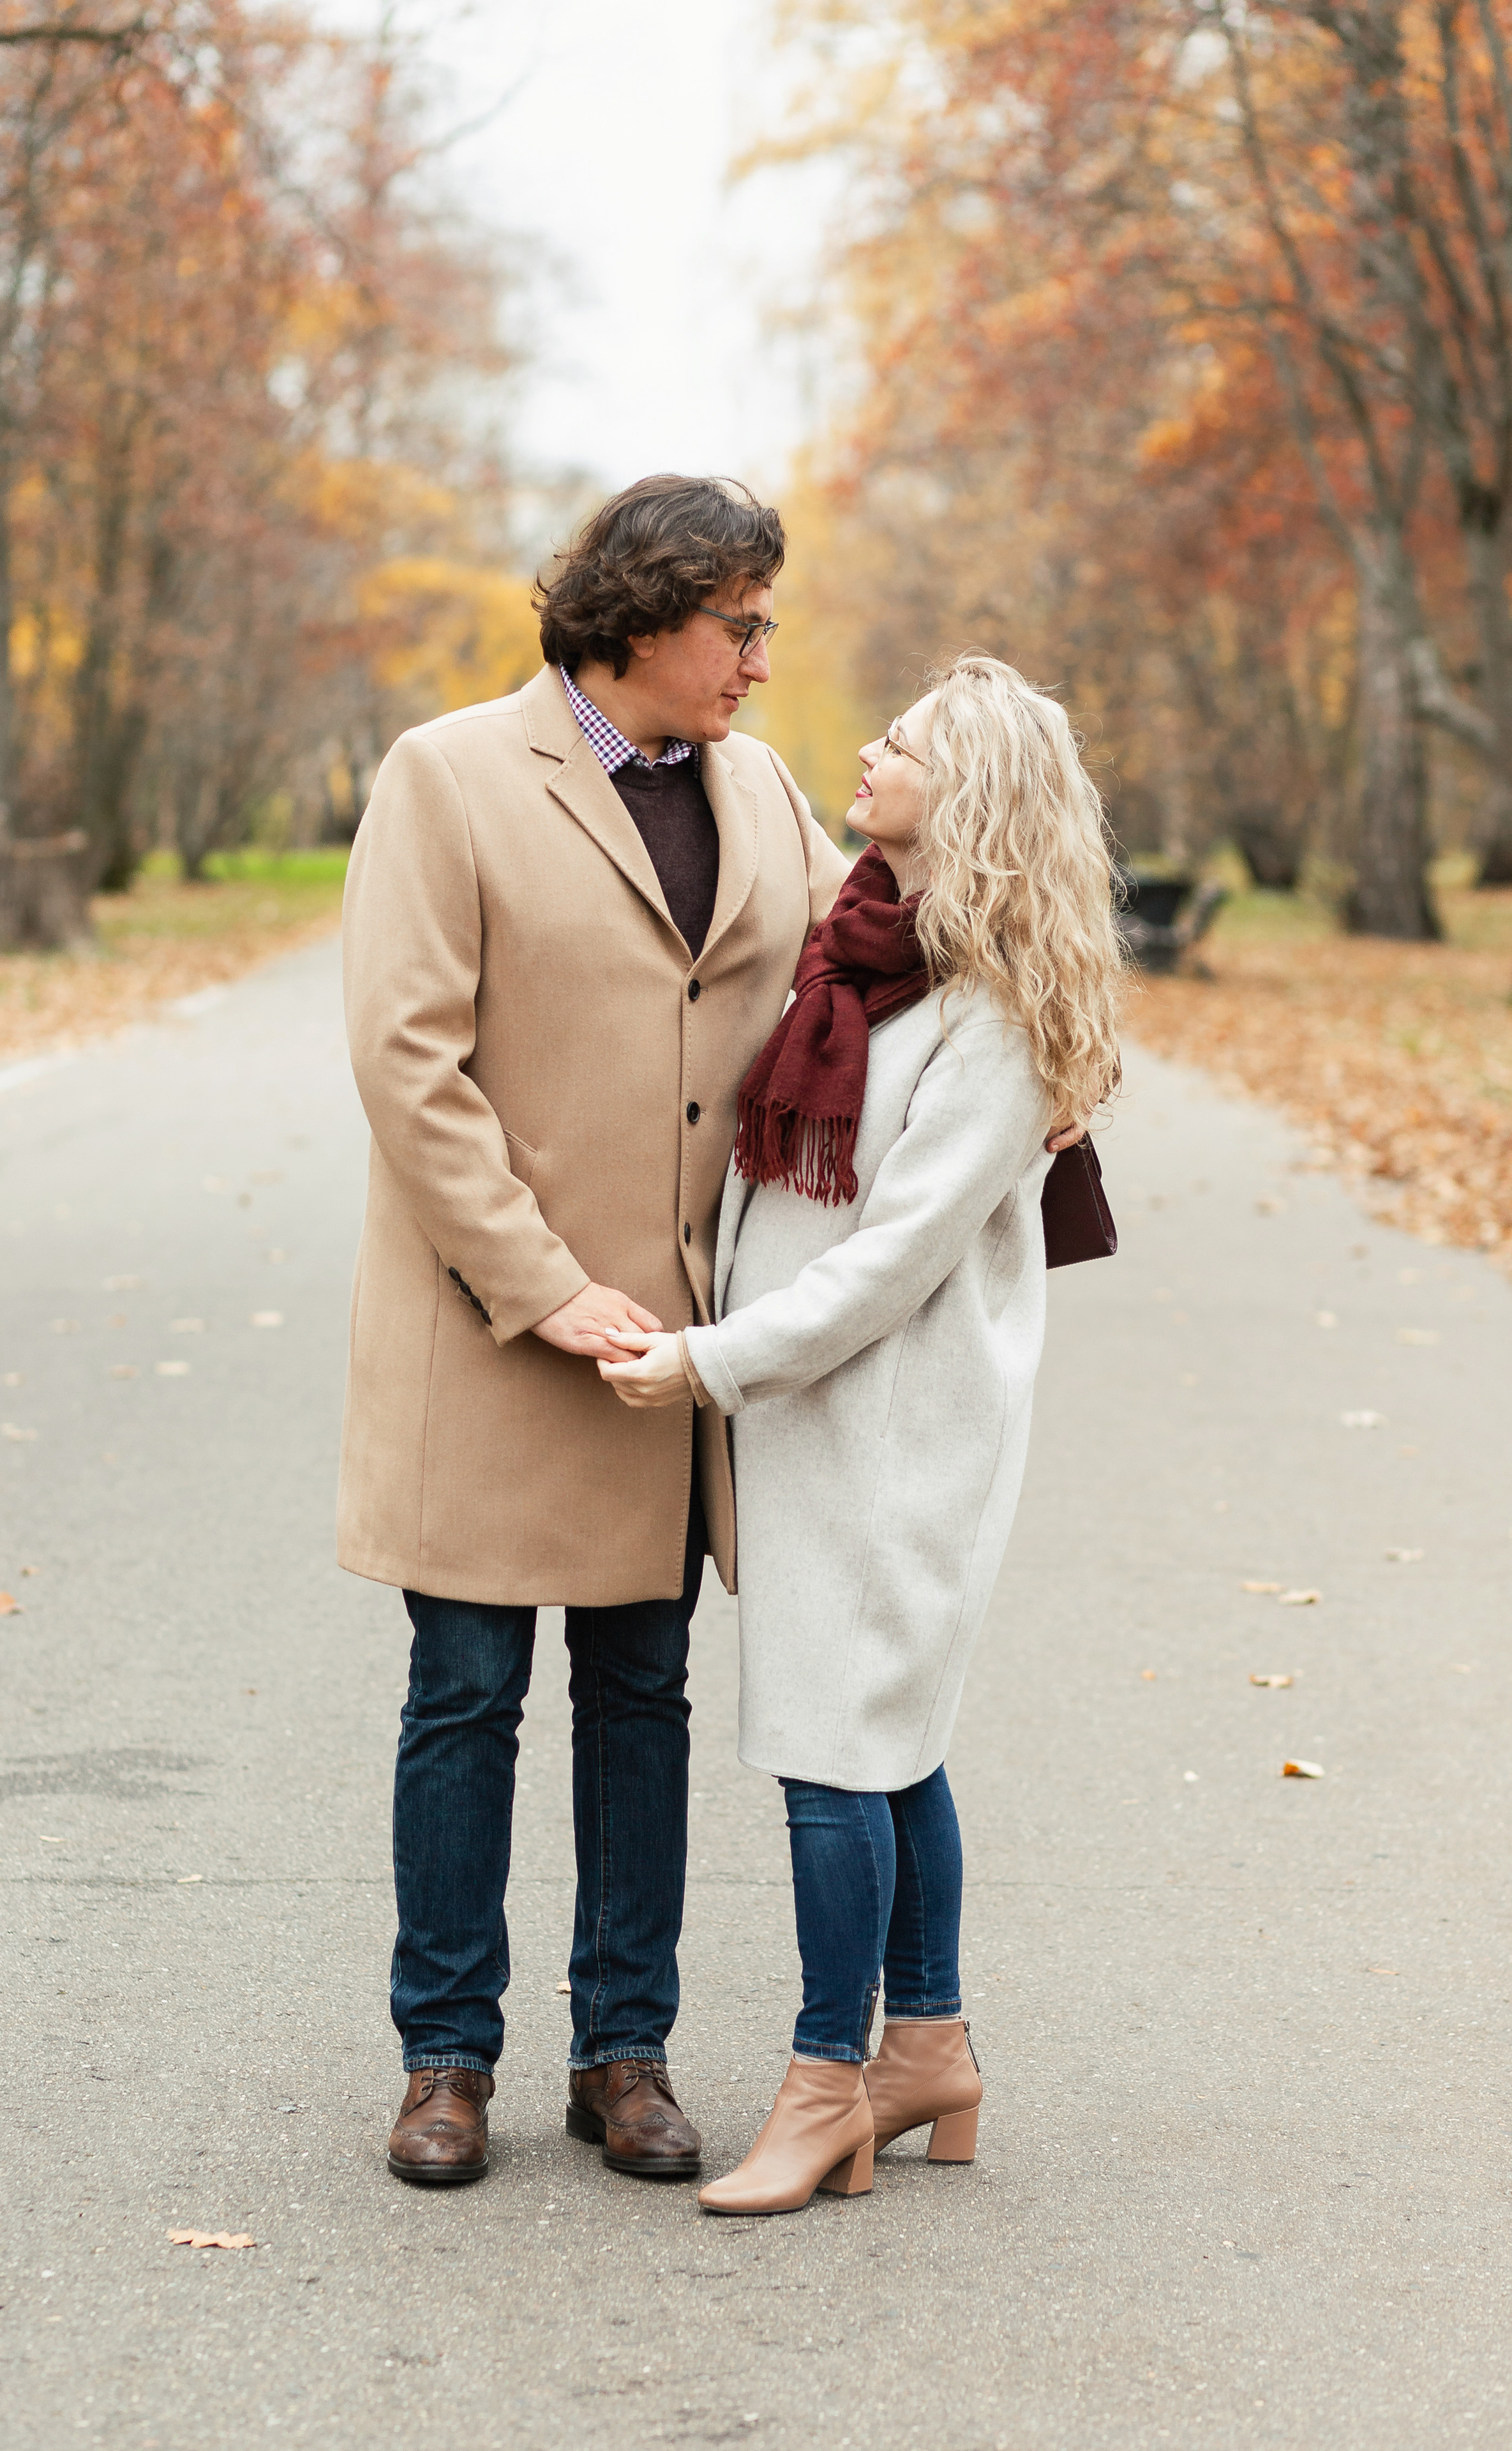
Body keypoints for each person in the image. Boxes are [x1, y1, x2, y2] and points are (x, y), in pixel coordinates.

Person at [337, 474, 851, 2187]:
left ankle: (622, 2052)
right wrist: (543, 1284)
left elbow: (866, 971)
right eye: (742, 626)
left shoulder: (764, 790)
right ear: (645, 615)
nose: (762, 662)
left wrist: (1041, 1053)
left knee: (644, 1692)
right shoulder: (449, 776)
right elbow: (412, 1066)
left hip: (673, 1352)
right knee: (465, 1690)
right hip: (492, 1330)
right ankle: (445, 2056)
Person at [602, 653, 1123, 2215]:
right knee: (890, 1748)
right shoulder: (869, 945)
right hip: (822, 1422)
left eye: (898, 746)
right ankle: (931, 2048)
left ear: (954, 797)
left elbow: (888, 1267)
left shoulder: (988, 1018)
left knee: (833, 1751)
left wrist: (705, 1363)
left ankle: (829, 2081)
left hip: (892, 1433)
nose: (868, 754)